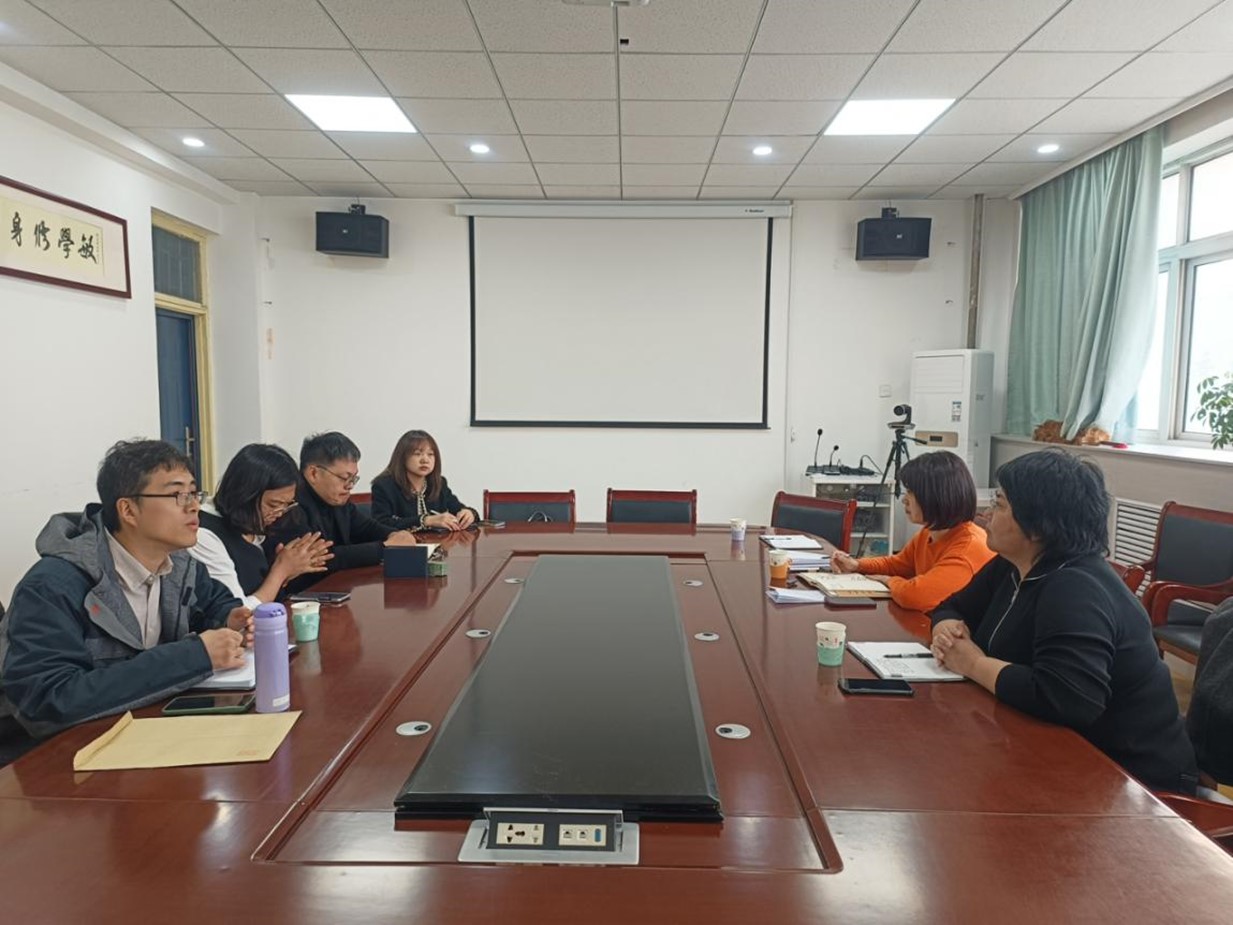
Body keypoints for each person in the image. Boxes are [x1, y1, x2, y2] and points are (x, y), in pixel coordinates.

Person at [929, 450, 1198, 794]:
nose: (986, 515)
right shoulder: (1011, 565)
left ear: (1038, 525)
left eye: (999, 505)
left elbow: (1067, 699)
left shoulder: (1075, 587)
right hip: (1041, 743)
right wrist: (946, 630)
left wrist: (972, 663)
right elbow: (951, 607)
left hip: (1130, 779)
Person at [0, 440, 251, 747]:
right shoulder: (52, 586)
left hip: (145, 735)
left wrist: (230, 618)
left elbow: (214, 602)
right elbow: (46, 702)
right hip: (57, 756)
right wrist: (194, 656)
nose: (193, 506)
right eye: (177, 495)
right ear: (128, 510)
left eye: (194, 493)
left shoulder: (179, 563)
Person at [830, 451, 994, 611]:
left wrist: (889, 581)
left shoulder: (967, 550)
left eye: (910, 492)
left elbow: (916, 596)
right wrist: (857, 565)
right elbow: (898, 565)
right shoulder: (931, 531)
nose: (904, 500)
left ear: (935, 496)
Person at [266, 432, 416, 593]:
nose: (349, 486)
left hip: (334, 588)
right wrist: (384, 547)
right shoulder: (289, 505)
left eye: (353, 479)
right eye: (344, 478)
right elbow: (320, 558)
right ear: (313, 473)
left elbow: (366, 528)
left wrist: (394, 535)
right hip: (300, 597)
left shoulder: (337, 499)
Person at [190, 443, 334, 608]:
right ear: (244, 494)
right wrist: (280, 572)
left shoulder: (255, 524)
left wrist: (287, 571)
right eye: (273, 505)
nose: (280, 513)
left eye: (287, 504)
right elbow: (237, 612)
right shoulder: (202, 533)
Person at [371, 430, 477, 532]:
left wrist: (469, 513)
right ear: (402, 457)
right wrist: (426, 520)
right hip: (403, 543)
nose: (425, 460)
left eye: (430, 454)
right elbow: (381, 524)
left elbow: (459, 509)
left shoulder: (439, 483)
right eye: (417, 454)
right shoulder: (384, 486)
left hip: (438, 543)